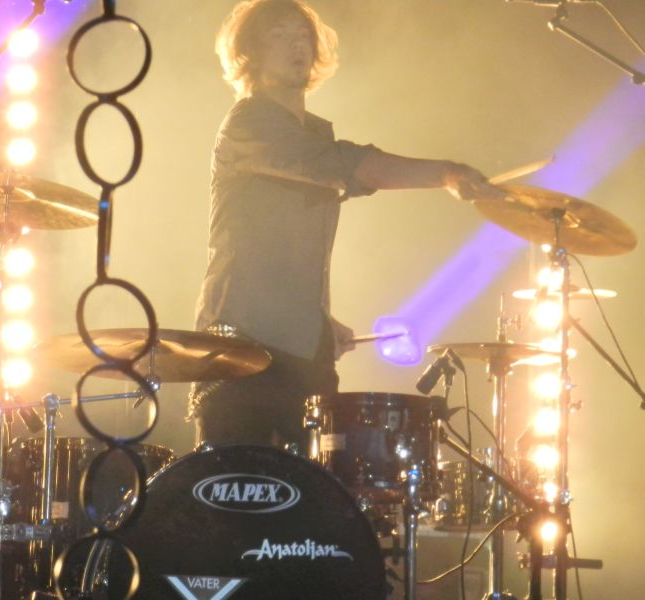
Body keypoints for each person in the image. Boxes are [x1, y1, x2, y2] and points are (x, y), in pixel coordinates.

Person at [189, 0, 502, 450]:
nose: (296, 44)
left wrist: (317, 319)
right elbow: (354, 165)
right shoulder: (249, 122)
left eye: (302, 35)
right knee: (238, 483)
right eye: (279, 35)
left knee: (310, 484)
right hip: (241, 346)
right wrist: (446, 173)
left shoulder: (312, 134)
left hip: (301, 352)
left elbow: (284, 249)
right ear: (249, 53)